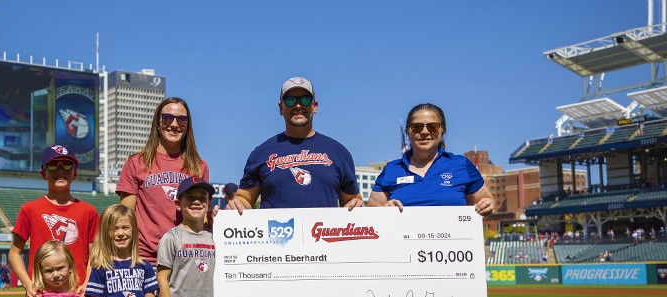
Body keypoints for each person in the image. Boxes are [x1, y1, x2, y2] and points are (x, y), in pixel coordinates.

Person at [226, 77, 362, 213]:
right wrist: (237, 204)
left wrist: (357, 204)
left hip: (322, 232)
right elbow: (244, 198)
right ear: (281, 108)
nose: (298, 105)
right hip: (276, 232)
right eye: (290, 100)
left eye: (305, 100)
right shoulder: (261, 153)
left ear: (315, 106)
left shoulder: (338, 152)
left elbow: (351, 199)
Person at [117, 97, 209, 265]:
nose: (174, 124)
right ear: (157, 123)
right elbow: (124, 217)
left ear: (188, 125)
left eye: (182, 119)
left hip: (185, 257)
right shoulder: (136, 162)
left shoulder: (199, 166)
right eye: (167, 118)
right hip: (145, 259)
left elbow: (200, 219)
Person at [366, 103, 495, 217]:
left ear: (442, 130)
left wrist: (488, 204)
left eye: (432, 126)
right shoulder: (391, 169)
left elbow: (486, 200)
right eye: (417, 127)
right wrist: (383, 212)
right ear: (408, 131)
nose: (425, 131)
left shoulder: (461, 165)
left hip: (452, 244)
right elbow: (369, 216)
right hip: (402, 244)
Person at [10, 145, 99, 297]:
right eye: (53, 165)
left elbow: (95, 255)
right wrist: (28, 284)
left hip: (78, 294)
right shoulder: (29, 209)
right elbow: (14, 253)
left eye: (67, 165)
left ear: (75, 173)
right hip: (40, 294)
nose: (60, 170)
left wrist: (87, 284)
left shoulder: (88, 211)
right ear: (43, 173)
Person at [157, 176, 216, 297]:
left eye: (202, 198)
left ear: (209, 203)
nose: (197, 202)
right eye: (190, 198)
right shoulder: (171, 238)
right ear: (178, 204)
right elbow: (162, 280)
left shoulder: (215, 236)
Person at [85, 204, 158, 297]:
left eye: (125, 227)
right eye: (114, 229)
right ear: (105, 233)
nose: (120, 233)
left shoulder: (144, 265)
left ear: (133, 230)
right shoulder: (100, 267)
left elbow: (150, 296)